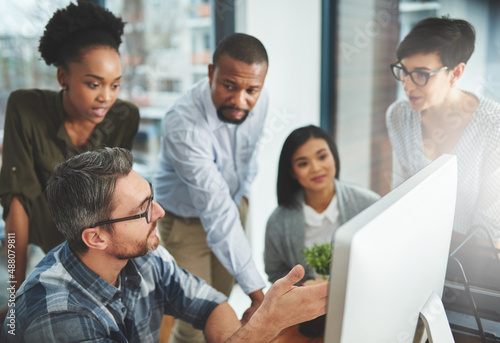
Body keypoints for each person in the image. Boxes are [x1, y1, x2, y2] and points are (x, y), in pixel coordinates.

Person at [0, 147, 328, 343]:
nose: (159, 211)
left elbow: (211, 305)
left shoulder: (141, 258)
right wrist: (263, 326)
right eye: (143, 209)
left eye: (151, 196)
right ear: (96, 237)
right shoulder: (60, 315)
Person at [0, 0, 140, 292]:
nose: (106, 97)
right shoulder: (24, 109)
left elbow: (115, 205)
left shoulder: (125, 117)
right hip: (41, 245)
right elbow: (17, 205)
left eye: (115, 85)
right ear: (63, 77)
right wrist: (15, 294)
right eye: (94, 84)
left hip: (95, 253)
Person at [154, 33, 269, 342]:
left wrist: (243, 191)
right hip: (185, 224)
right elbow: (214, 209)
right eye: (229, 86)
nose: (240, 100)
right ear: (210, 74)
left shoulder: (261, 100)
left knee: (222, 301)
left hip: (232, 206)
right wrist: (259, 295)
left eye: (251, 90)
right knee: (195, 321)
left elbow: (251, 151)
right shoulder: (183, 124)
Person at [386, 17, 500, 246]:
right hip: (412, 248)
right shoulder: (399, 115)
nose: (407, 86)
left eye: (421, 74)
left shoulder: (493, 125)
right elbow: (400, 195)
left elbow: (490, 225)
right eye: (404, 71)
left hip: (474, 260)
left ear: (456, 73)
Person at [265, 125, 380, 284]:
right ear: (291, 172)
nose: (316, 168)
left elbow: (384, 259)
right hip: (306, 306)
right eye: (303, 164)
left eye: (322, 157)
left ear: (334, 156)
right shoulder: (278, 221)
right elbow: (275, 273)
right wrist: (305, 287)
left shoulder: (370, 205)